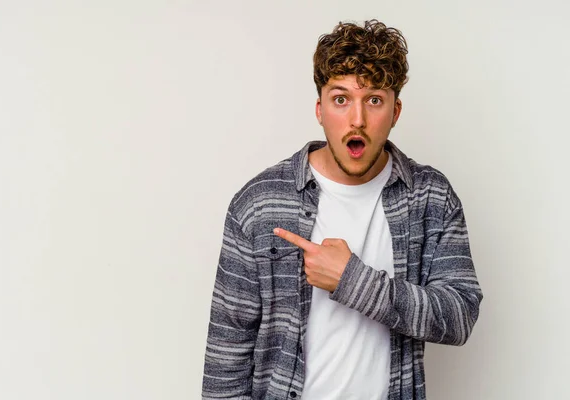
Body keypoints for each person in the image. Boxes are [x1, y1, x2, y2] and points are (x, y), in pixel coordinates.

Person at [202, 19, 482, 400]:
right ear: (319, 109)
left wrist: (353, 281)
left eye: (374, 100)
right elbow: (226, 357)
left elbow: (459, 316)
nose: (358, 120)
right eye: (340, 99)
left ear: (395, 111)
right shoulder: (260, 203)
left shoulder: (430, 197)